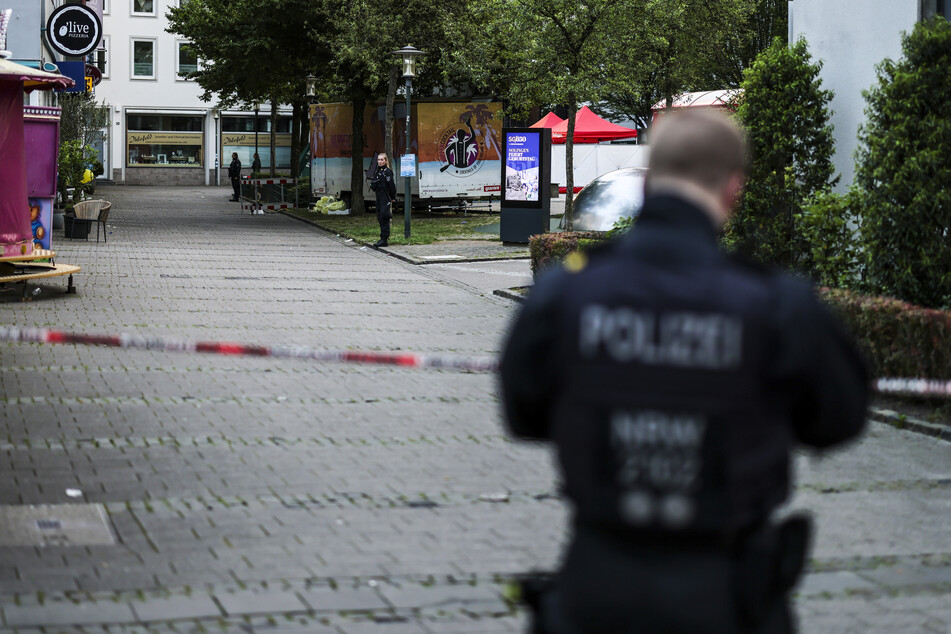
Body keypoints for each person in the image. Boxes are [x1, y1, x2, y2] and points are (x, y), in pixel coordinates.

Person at [500, 110, 868, 634]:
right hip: (726, 595)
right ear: (733, 190)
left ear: (648, 182)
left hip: (598, 588)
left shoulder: (567, 293)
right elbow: (840, 418)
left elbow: (523, 413)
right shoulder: (774, 304)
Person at [367, 152, 396, 247]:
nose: (380, 161)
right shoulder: (378, 171)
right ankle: (382, 237)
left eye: (382, 160)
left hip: (385, 196)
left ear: (385, 161)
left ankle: (384, 239)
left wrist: (393, 197)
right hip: (378, 196)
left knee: (384, 216)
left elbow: (391, 185)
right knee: (379, 216)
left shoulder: (387, 172)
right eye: (379, 160)